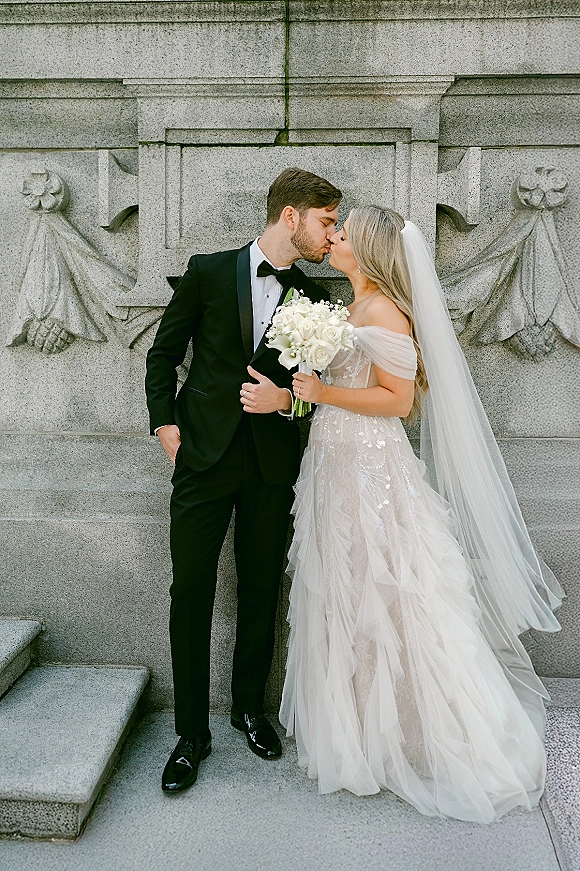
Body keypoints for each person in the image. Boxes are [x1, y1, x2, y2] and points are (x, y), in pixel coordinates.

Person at [279, 205, 564, 822]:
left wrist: (323, 391)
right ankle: (362, 734)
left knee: (392, 593)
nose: (333, 238)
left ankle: (416, 734)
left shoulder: (384, 311)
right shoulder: (349, 308)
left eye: (343, 232)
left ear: (369, 248)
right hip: (333, 464)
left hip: (372, 471)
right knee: (345, 590)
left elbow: (399, 400)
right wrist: (299, 393)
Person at [145, 168, 341, 793]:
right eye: (325, 221)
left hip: (270, 468)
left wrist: (286, 403)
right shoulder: (208, 271)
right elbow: (162, 354)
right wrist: (163, 427)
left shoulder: (314, 299)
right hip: (200, 459)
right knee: (192, 592)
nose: (330, 235)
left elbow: (317, 399)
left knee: (261, 590)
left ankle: (249, 710)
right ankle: (189, 734)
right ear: (291, 216)